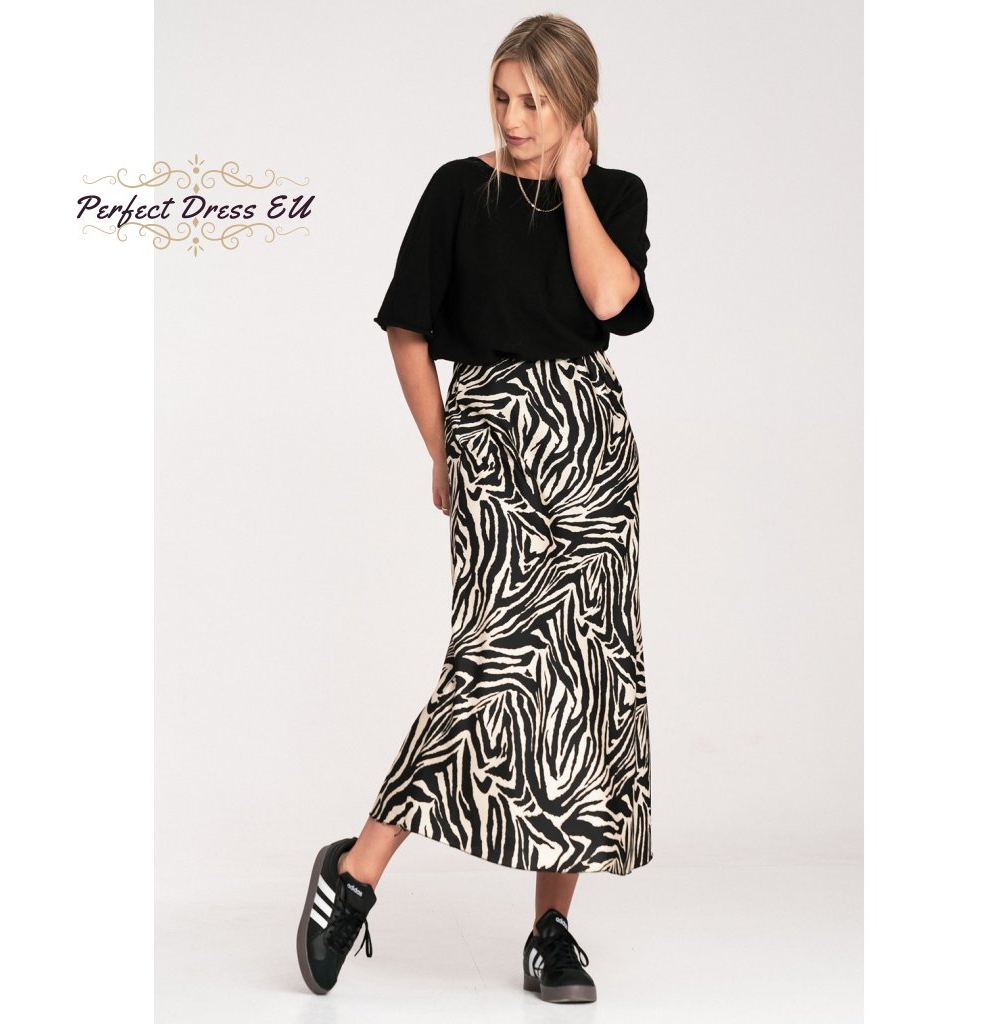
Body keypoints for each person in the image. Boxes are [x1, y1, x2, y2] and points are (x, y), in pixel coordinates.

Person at [297, 13, 654, 1005]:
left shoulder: (615, 194)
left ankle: (551, 931)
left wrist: (573, 181)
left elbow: (611, 301)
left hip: (590, 445)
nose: (514, 119)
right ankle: (356, 869)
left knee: (584, 680)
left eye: (535, 101)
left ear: (576, 103)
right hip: (493, 436)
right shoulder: (459, 189)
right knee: (488, 663)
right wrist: (442, 448)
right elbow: (407, 330)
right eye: (502, 97)